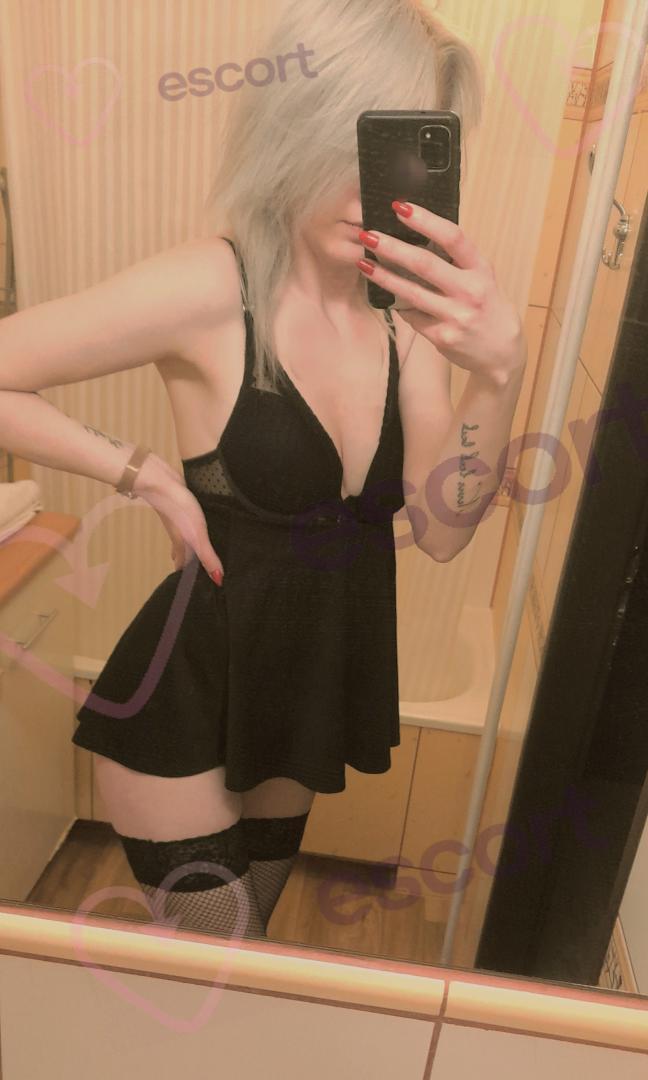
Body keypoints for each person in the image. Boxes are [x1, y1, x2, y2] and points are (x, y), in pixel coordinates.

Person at [0, 0, 526, 942]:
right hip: (186, 691)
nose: (368, 190)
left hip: (303, 692)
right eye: (345, 143)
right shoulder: (213, 286)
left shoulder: (405, 318)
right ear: (293, 130)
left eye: (395, 154)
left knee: (249, 957)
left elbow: (444, 532)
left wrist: (499, 373)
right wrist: (142, 473)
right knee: (220, 965)